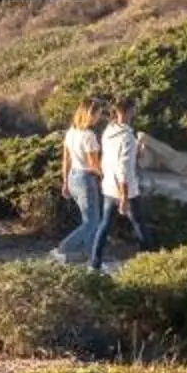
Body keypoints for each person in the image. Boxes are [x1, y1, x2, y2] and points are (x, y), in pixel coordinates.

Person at [52, 102, 106, 268]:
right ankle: (63, 249)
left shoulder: (71, 132)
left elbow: (66, 159)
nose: (99, 118)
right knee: (92, 222)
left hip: (73, 177)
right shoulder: (89, 136)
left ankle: (93, 261)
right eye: (98, 114)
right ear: (91, 114)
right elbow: (93, 164)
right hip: (85, 179)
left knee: (89, 221)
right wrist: (106, 175)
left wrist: (65, 182)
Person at [99, 100, 146, 260]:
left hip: (108, 187)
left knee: (104, 226)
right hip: (127, 190)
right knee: (140, 226)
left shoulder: (108, 131)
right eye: (133, 111)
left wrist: (136, 151)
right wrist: (124, 197)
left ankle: (94, 263)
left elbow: (110, 159)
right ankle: (149, 261)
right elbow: (124, 168)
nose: (134, 114)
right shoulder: (127, 137)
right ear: (128, 112)